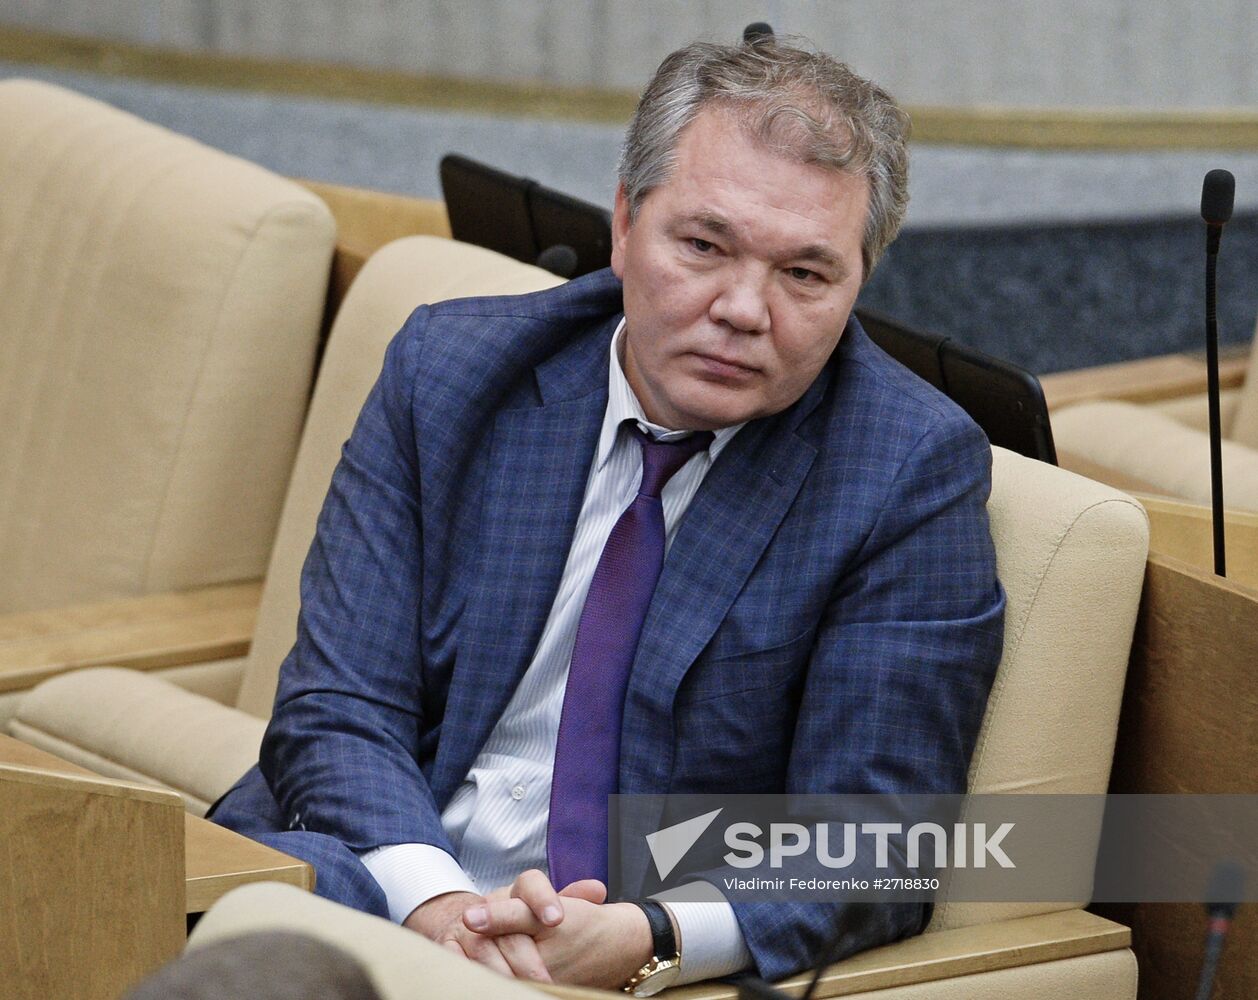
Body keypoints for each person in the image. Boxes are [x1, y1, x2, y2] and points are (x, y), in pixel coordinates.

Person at [211, 34, 1005, 993]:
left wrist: (651, 936)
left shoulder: (907, 470)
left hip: (626, 945)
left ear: (859, 283)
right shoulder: (453, 376)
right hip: (380, 878)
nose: (745, 309)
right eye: (704, 246)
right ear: (625, 223)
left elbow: (878, 838)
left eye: (805, 274)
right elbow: (339, 710)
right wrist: (438, 908)